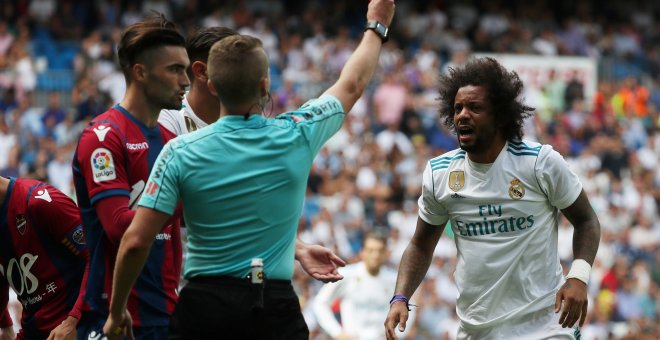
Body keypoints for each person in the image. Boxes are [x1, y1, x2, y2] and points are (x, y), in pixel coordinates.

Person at [103, 0, 396, 338]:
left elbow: (136, 240)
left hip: (202, 307)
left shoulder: (178, 151)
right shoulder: (297, 133)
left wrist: (116, 310)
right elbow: (352, 83)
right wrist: (377, 25)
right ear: (264, 85)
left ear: (213, 85)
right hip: (272, 304)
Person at [384, 57, 601, 340]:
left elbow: (586, 221)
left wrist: (578, 276)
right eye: (458, 108)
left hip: (545, 324)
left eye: (475, 107)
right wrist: (400, 297)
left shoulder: (539, 163)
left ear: (499, 115)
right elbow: (421, 245)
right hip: (478, 329)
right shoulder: (440, 174)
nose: (462, 115)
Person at [159, 26, 347, 282]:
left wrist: (298, 246)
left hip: (242, 286)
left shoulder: (248, 128)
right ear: (203, 72)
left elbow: (241, 202)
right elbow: (169, 210)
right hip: (180, 283)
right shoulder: (168, 122)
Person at [71, 14, 189, 339]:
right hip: (114, 320)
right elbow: (120, 227)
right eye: (175, 70)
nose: (185, 81)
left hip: (165, 313)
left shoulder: (170, 138)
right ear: (140, 72)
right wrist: (185, 198)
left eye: (187, 69)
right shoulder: (104, 137)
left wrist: (295, 245)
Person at [0, 176, 88, 340]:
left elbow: (98, 259)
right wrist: (5, 325)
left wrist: (74, 320)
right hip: (34, 330)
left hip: (76, 326)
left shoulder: (39, 201)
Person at [313, 230, 414, 340]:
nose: (375, 255)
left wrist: (397, 335)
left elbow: (409, 308)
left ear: (386, 253)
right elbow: (320, 303)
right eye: (370, 250)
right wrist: (337, 333)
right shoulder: (346, 275)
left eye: (380, 250)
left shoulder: (394, 280)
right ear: (362, 252)